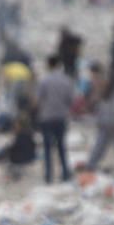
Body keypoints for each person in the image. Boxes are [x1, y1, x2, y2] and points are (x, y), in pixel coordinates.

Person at [36, 54, 75, 183]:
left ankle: (49, 176)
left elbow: (39, 99)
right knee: (61, 147)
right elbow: (70, 99)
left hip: (47, 117)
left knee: (47, 148)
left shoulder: (44, 81)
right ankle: (65, 173)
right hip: (61, 116)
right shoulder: (66, 80)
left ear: (48, 65)